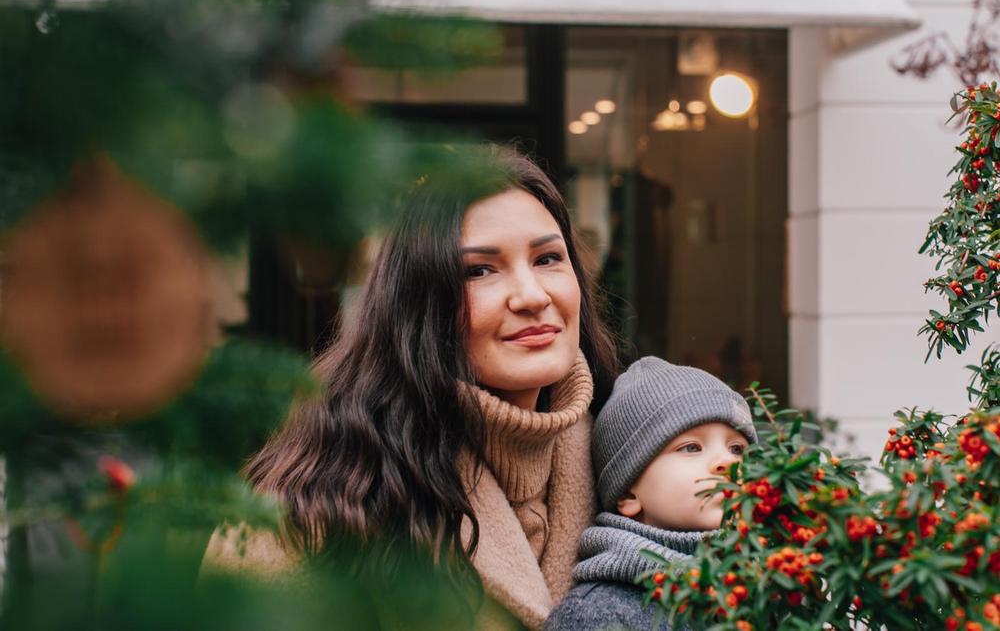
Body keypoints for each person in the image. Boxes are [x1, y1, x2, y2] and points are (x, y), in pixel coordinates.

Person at [201, 145, 620, 631]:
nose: (531, 295)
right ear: (419, 304)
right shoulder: (324, 498)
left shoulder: (632, 464)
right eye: (479, 270)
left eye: (548, 258)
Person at [545, 357, 757, 631]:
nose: (727, 463)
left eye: (737, 449)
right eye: (691, 447)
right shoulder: (597, 613)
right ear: (629, 494)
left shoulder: (771, 588)